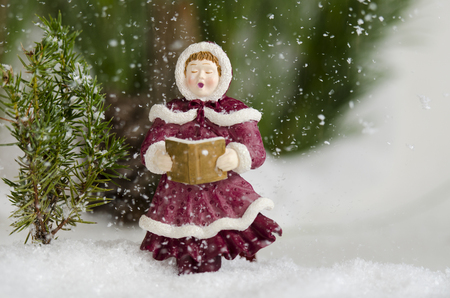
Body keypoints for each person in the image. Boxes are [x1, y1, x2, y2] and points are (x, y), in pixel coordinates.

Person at [139, 41, 282, 274]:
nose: (200, 77)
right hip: (179, 191)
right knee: (185, 233)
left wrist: (236, 156)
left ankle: (232, 275)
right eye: (193, 71)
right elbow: (152, 145)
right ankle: (188, 274)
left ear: (222, 75)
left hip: (222, 189)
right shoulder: (172, 112)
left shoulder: (234, 112)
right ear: (182, 75)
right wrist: (158, 157)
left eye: (208, 71)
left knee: (227, 229)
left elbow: (256, 151)